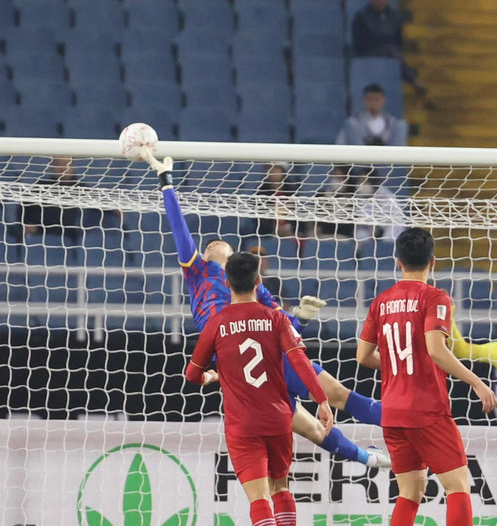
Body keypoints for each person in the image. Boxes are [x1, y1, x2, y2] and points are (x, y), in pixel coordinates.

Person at [146, 149, 392, 471]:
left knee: (336, 402)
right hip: (250, 370)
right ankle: (378, 450)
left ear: (234, 259)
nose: (211, 244)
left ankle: (379, 450)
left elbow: (283, 329)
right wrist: (167, 182)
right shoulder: (198, 272)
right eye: (208, 245)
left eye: (220, 244)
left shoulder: (253, 287)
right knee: (318, 425)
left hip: (267, 359)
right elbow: (179, 228)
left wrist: (299, 319)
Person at [356, 227, 497, 526]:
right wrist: (477, 382)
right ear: (432, 262)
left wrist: (396, 367)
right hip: (427, 409)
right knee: (459, 487)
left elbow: (362, 356)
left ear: (398, 262)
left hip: (393, 411)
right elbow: (436, 349)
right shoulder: (435, 297)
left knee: (409, 492)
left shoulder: (381, 301)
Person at [185, 251, 334, 526]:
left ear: (226, 282)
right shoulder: (276, 318)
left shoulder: (217, 323)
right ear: (258, 282)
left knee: (258, 496)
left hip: (244, 424)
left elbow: (192, 374)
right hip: (279, 418)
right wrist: (321, 401)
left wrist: (212, 376)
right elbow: (299, 362)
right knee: (281, 487)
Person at [351, 0, 429, 98]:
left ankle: (409, 79)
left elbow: (398, 42)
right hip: (369, 55)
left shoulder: (395, 17)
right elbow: (359, 44)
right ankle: (413, 80)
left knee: (393, 51)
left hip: (393, 55)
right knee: (390, 50)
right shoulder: (361, 17)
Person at [20, 155, 82, 243]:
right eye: (58, 164)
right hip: (41, 238)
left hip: (73, 238)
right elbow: (24, 213)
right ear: (52, 166)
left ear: (73, 166)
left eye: (66, 164)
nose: (62, 168)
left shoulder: (84, 191)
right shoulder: (40, 189)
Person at [336, 83, 408, 147]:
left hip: (387, 160)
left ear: (383, 101)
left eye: (377, 100)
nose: (373, 104)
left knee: (401, 125)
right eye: (370, 99)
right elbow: (340, 143)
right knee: (350, 123)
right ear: (365, 101)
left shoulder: (393, 124)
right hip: (361, 160)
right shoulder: (355, 123)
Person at [351, 167, 405, 241]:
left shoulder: (386, 195)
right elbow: (362, 218)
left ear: (372, 182)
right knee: (360, 234)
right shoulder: (360, 198)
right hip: (371, 228)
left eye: (364, 181)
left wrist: (382, 222)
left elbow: (398, 218)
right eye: (360, 182)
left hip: (390, 225)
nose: (361, 185)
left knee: (391, 233)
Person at [255, 163, 298, 239]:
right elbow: (259, 218)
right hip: (267, 234)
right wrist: (273, 228)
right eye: (269, 169)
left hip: (291, 233)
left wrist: (289, 226)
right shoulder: (260, 193)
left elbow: (298, 214)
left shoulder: (292, 192)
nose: (272, 172)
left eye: (276, 169)